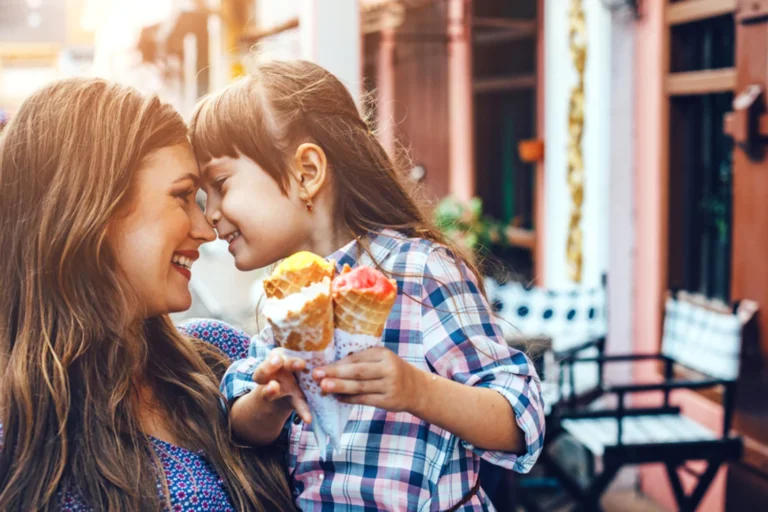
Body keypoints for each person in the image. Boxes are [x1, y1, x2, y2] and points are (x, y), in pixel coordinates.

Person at [187, 59, 546, 510]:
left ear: (308, 171)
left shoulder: (419, 271)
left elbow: (521, 419)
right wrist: (270, 399)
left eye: (220, 185)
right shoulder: (286, 294)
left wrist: (417, 390)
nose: (210, 214)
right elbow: (238, 423)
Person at [0, 78, 295, 511]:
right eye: (182, 196)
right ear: (92, 207)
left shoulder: (225, 358)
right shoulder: (14, 431)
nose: (206, 228)